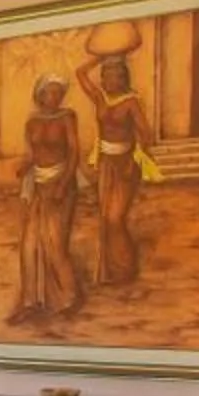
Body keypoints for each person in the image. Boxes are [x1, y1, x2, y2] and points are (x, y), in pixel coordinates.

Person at [78, 47, 155, 289]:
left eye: (116, 76)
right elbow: (80, 73)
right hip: (106, 164)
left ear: (125, 78)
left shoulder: (131, 102)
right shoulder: (100, 98)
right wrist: (99, 57)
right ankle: (111, 272)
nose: (110, 80)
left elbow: (145, 135)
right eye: (106, 76)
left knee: (115, 218)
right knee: (105, 218)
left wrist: (137, 162)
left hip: (125, 165)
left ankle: (126, 267)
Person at [9, 74, 82, 323]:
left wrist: (63, 184)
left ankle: (68, 298)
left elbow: (74, 153)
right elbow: (33, 153)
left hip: (61, 183)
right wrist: (23, 166)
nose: (55, 96)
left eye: (58, 92)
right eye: (50, 92)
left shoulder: (67, 117)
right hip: (38, 185)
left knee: (54, 243)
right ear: (39, 95)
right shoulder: (32, 122)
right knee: (29, 245)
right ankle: (30, 302)